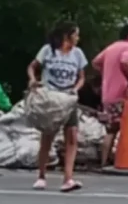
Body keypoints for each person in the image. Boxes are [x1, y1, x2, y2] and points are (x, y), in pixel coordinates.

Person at [27, 21, 87, 192]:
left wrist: (76, 89)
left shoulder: (77, 54)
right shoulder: (48, 50)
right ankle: (41, 175)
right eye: (75, 34)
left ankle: (68, 178)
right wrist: (33, 80)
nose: (78, 38)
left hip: (68, 99)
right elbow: (32, 67)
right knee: (48, 136)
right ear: (67, 36)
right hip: (51, 97)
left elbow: (82, 76)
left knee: (72, 136)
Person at [92, 24, 128, 168]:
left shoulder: (112, 47)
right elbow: (124, 62)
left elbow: (96, 62)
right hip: (123, 96)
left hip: (108, 95)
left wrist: (107, 74)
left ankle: (104, 161)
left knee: (111, 129)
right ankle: (126, 158)